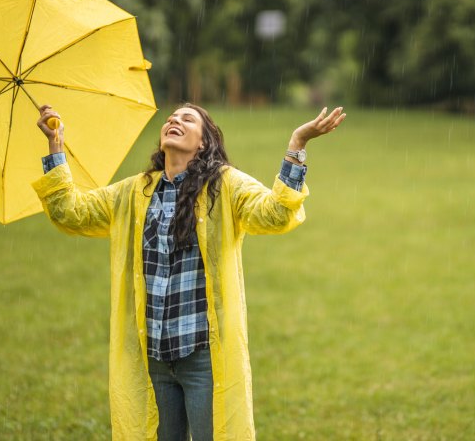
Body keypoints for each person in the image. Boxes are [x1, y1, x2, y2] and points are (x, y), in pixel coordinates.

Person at [33, 103, 346, 441]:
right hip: (152, 358)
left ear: (203, 142)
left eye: (187, 119)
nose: (174, 121)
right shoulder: (134, 192)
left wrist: (297, 145)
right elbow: (70, 213)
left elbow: (276, 214)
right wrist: (56, 146)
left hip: (203, 359)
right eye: (171, 118)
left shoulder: (224, 186)